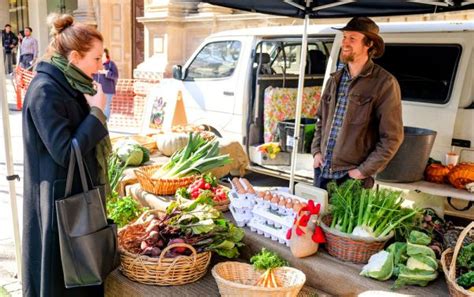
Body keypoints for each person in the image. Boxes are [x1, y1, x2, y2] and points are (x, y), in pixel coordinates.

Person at [22, 14, 111, 297]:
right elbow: (64, 151)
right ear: (74, 56)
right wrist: (96, 113)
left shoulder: (69, 85)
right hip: (57, 210)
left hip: (72, 203)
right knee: (61, 285)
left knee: (80, 278)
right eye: (96, 59)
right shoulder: (45, 91)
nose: (102, 64)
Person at [311, 17, 404, 190]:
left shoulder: (384, 83)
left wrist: (362, 171)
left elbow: (392, 138)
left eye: (352, 39)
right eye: (344, 37)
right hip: (322, 172)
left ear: (368, 44)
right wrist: (316, 152)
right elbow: (320, 120)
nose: (345, 43)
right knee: (316, 217)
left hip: (352, 178)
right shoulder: (335, 79)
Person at [93, 48, 118, 119]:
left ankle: (105, 123)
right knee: (97, 106)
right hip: (97, 90)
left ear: (106, 54)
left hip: (108, 90)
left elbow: (116, 76)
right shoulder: (97, 63)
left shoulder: (111, 64)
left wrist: (106, 72)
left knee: (106, 106)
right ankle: (99, 122)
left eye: (102, 54)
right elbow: (92, 76)